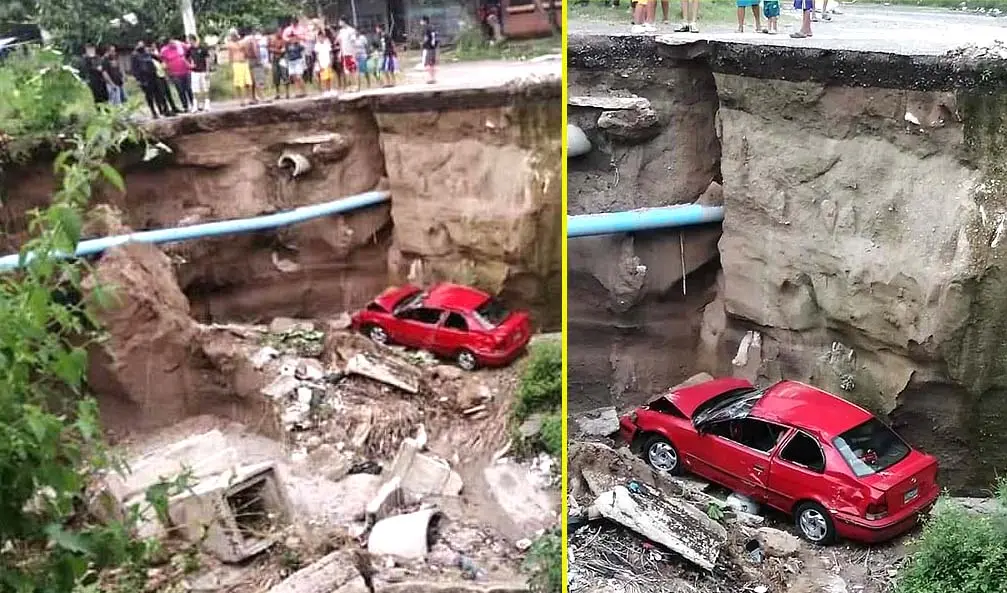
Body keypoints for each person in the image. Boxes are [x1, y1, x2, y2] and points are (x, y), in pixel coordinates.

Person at [131, 42, 166, 117]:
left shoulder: (147, 52)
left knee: (158, 94)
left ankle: (161, 110)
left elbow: (157, 57)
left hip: (153, 75)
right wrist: (139, 80)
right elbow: (134, 69)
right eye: (139, 45)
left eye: (142, 45)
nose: (142, 46)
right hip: (144, 78)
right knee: (149, 96)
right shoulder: (135, 55)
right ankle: (153, 112)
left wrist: (162, 62)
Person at [160, 38, 194, 112]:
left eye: (174, 43)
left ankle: (193, 105)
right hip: (175, 74)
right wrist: (167, 74)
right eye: (171, 43)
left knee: (189, 89)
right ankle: (185, 107)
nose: (174, 44)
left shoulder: (180, 45)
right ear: (168, 44)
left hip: (186, 71)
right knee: (180, 90)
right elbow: (164, 63)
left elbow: (190, 47)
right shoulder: (164, 51)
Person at [151, 44, 181, 115]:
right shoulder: (150, 59)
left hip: (163, 76)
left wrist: (164, 67)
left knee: (168, 93)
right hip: (157, 78)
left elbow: (163, 64)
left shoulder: (158, 57)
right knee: (162, 94)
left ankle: (174, 107)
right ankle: (165, 110)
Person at [227, 29, 254, 105]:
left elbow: (246, 51)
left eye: (234, 35)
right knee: (238, 83)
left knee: (248, 82)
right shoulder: (230, 44)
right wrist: (230, 65)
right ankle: (241, 100)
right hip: (236, 64)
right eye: (232, 35)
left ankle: (250, 98)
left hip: (244, 63)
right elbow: (230, 55)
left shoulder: (242, 42)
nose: (233, 36)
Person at [186, 34, 211, 111]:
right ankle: (195, 106)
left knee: (205, 88)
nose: (188, 42)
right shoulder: (190, 49)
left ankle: (207, 104)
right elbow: (186, 58)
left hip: (203, 71)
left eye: (189, 40)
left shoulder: (202, 47)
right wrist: (190, 65)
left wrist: (207, 71)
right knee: (195, 89)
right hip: (195, 71)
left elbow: (207, 59)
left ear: (192, 40)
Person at [242, 28, 264, 102]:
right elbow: (255, 49)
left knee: (252, 80)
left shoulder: (245, 41)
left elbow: (244, 52)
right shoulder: (253, 40)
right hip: (255, 60)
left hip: (248, 61)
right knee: (259, 79)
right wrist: (258, 59)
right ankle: (262, 97)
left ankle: (252, 97)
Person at [284, 29, 308, 97]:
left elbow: (303, 50)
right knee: (294, 77)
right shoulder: (287, 45)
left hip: (298, 61)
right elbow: (286, 53)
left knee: (299, 77)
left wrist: (303, 62)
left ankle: (304, 90)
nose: (292, 38)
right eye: (291, 37)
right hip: (291, 61)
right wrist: (287, 61)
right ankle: (297, 92)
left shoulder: (298, 44)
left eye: (293, 36)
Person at [337, 19, 358, 91]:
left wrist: (354, 53)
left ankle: (355, 85)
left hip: (350, 53)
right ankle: (349, 86)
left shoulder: (351, 30)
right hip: (344, 53)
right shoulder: (341, 31)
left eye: (340, 21)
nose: (339, 23)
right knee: (346, 71)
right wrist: (340, 52)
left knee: (352, 69)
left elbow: (353, 41)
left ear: (344, 21)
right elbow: (339, 42)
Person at [268, 27, 290, 100]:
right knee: (276, 76)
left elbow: (284, 50)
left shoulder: (284, 40)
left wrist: (277, 50)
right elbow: (269, 49)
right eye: (278, 32)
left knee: (285, 75)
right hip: (275, 60)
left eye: (281, 32)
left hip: (282, 59)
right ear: (276, 33)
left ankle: (287, 92)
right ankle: (277, 93)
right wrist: (277, 50)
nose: (280, 33)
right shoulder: (272, 40)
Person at [314, 29, 334, 94]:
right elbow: (317, 56)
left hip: (327, 62)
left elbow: (330, 53)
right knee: (323, 78)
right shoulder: (317, 45)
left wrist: (331, 61)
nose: (321, 38)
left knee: (329, 77)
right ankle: (325, 90)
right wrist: (319, 64)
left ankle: (329, 89)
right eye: (319, 37)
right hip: (321, 63)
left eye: (322, 36)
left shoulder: (327, 44)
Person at [420, 16, 438, 84]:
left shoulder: (425, 28)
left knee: (427, 64)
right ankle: (433, 78)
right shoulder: (432, 27)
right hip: (433, 47)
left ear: (424, 21)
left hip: (428, 48)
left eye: (421, 21)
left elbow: (426, 38)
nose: (420, 22)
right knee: (432, 64)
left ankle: (430, 78)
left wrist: (422, 43)